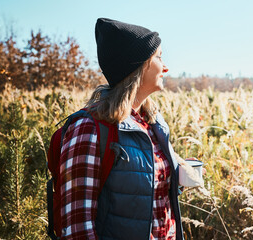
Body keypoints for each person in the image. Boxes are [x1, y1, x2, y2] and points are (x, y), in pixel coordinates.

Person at [59, 18, 188, 240]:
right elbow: (77, 227)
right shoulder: (89, 129)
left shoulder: (152, 124)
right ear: (138, 66)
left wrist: (179, 175)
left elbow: (150, 196)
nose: (165, 67)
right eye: (158, 57)